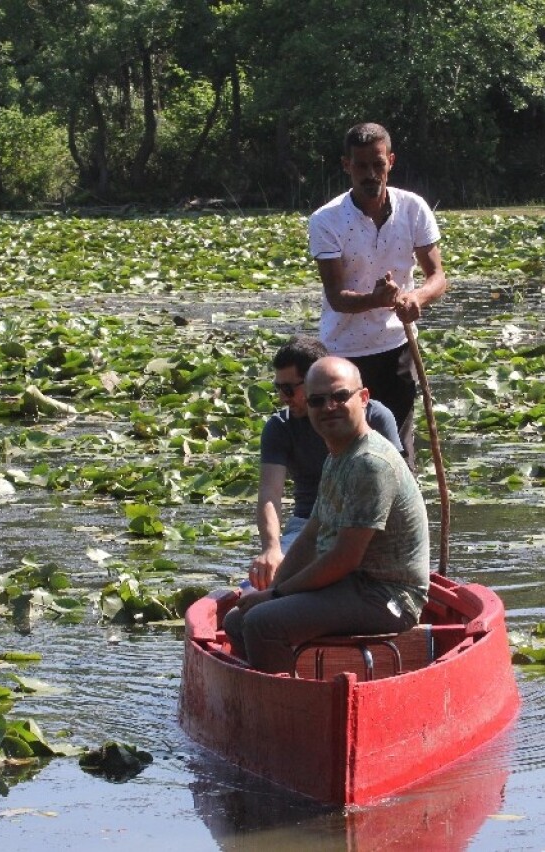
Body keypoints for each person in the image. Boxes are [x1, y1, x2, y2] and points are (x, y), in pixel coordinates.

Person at [225, 357, 430, 674]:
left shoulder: (370, 462)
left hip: (388, 597)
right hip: (354, 586)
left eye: (340, 396)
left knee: (261, 623)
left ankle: (293, 709)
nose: (329, 407)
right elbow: (311, 535)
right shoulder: (337, 454)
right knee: (236, 620)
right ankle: (281, 687)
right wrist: (273, 589)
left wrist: (276, 595)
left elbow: (344, 558)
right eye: (317, 401)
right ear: (306, 405)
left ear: (363, 398)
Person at [307, 122, 449, 466]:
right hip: (345, 353)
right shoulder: (326, 220)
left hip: (397, 346)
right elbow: (338, 298)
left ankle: (405, 519)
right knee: (348, 452)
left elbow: (437, 277)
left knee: (400, 452)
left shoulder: (413, 208)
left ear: (391, 162)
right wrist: (377, 299)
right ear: (346, 166)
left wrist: (416, 298)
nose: (370, 174)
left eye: (378, 164)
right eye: (361, 166)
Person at [250, 335, 403, 591]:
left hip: (367, 524)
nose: (282, 397)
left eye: (289, 389)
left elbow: (397, 485)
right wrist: (271, 548)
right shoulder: (281, 427)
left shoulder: (374, 417)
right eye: (278, 388)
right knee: (255, 592)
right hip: (306, 526)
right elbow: (270, 494)